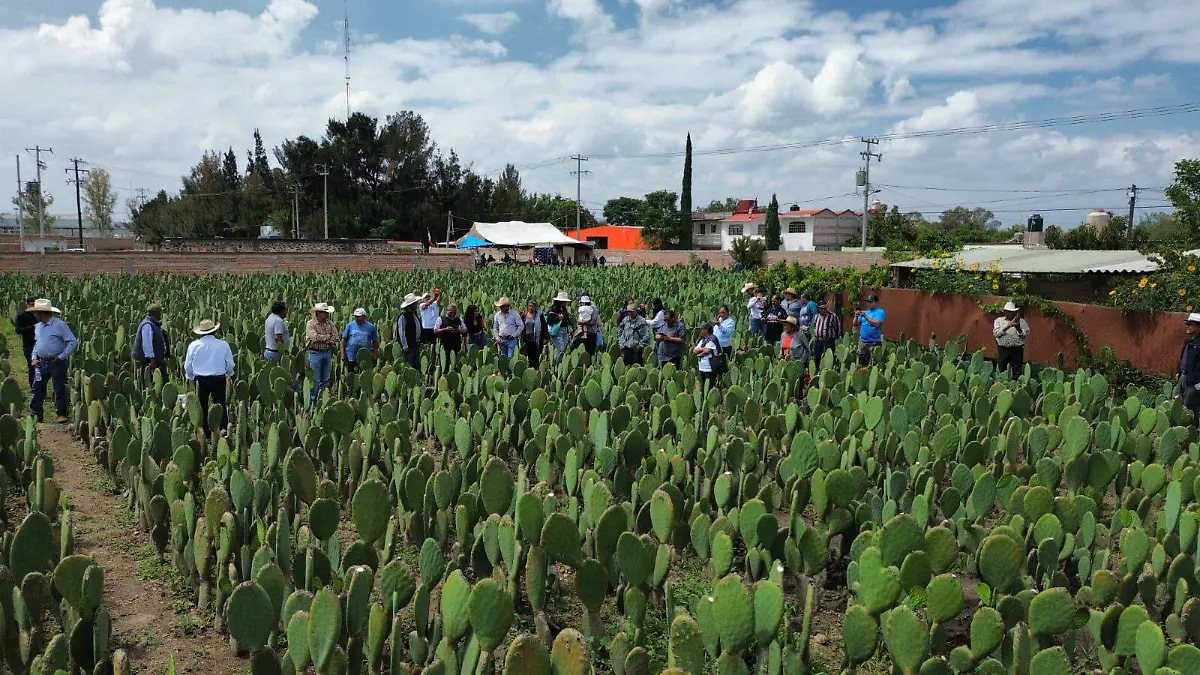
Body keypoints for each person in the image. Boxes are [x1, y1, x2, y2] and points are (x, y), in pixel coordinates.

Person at [29, 299, 77, 424]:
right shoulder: (38, 327)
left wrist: (61, 356)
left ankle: (61, 414)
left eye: (36, 312)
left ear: (42, 312)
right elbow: (37, 344)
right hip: (40, 362)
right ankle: (36, 415)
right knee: (37, 388)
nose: (35, 314)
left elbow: (73, 341)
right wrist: (34, 357)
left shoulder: (59, 324)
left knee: (59, 388)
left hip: (56, 362)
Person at [183, 318, 234, 437]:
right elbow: (230, 363)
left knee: (201, 406)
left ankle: (204, 432)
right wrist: (228, 373)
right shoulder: (223, 344)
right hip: (219, 378)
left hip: (200, 380)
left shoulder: (194, 345)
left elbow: (188, 365)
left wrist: (190, 377)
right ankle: (222, 429)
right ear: (214, 331)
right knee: (220, 404)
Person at [305, 303, 338, 406]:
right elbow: (314, 337)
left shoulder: (330, 324)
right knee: (315, 379)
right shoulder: (311, 324)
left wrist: (323, 338)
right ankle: (313, 403)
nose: (327, 314)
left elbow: (335, 338)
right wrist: (327, 337)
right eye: (325, 312)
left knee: (325, 379)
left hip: (327, 353)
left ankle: (323, 401)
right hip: (314, 353)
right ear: (318, 313)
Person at [132, 304, 170, 387]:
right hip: (148, 362)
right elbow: (147, 344)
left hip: (155, 360)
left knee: (161, 384)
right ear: (157, 314)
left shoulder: (153, 324)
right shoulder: (147, 325)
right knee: (150, 385)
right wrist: (152, 360)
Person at [993, 301, 1030, 378]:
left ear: (1015, 312)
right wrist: (1008, 326)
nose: (1010, 314)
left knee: (1017, 370)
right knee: (1001, 369)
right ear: (1005, 312)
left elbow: (1026, 334)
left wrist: (1018, 328)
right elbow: (996, 334)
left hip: (1017, 349)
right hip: (1003, 349)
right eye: (1008, 312)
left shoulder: (1022, 322)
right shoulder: (999, 321)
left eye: (1012, 312)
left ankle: (1015, 386)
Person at [854, 294, 885, 367]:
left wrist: (866, 317)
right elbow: (855, 324)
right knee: (861, 363)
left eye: (871, 302)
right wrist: (856, 316)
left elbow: (877, 324)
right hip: (862, 342)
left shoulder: (880, 312)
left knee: (873, 364)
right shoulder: (865, 312)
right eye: (868, 302)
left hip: (874, 342)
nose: (869, 303)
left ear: (876, 302)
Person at [1180, 313, 1200, 424]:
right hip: (1183, 377)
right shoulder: (1188, 342)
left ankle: (1191, 429)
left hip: (1193, 382)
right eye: (1187, 324)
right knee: (1177, 400)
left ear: (1199, 327)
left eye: (1190, 324)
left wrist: (1197, 383)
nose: (1187, 326)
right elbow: (1183, 358)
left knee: (1189, 406)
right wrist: (1179, 371)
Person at [13, 297, 37, 387]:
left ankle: (40, 388)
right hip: (29, 344)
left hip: (40, 344)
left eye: (34, 305)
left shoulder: (39, 315)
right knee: (32, 366)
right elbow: (18, 330)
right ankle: (33, 387)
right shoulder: (21, 316)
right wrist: (32, 327)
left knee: (41, 367)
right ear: (27, 304)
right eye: (31, 304)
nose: (33, 306)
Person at [811, 300, 842, 366]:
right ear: (819, 309)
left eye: (825, 308)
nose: (824, 310)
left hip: (828, 340)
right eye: (822, 308)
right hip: (818, 339)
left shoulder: (833, 316)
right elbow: (815, 326)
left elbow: (837, 328)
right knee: (817, 357)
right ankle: (817, 371)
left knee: (828, 358)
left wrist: (836, 338)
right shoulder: (816, 317)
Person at [397, 294, 423, 369]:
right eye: (415, 303)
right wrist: (405, 347)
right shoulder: (403, 316)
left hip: (416, 343)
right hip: (409, 346)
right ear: (411, 305)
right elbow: (402, 332)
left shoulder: (414, 313)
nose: (417, 304)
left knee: (416, 365)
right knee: (409, 366)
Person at [493, 296, 523, 361]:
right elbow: (495, 328)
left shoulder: (514, 314)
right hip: (502, 340)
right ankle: (507, 371)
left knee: (511, 358)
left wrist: (514, 335)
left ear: (507, 306)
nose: (500, 307)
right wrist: (497, 338)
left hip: (512, 340)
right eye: (500, 306)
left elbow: (521, 326)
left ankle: (511, 371)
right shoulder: (497, 315)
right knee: (504, 359)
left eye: (502, 306)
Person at [694, 323, 721, 388]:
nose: (700, 331)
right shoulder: (702, 340)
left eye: (702, 329)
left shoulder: (713, 338)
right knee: (704, 386)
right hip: (702, 367)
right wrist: (703, 349)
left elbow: (707, 351)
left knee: (710, 386)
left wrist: (700, 352)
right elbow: (695, 350)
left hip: (710, 368)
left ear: (707, 330)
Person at [522, 301, 547, 369]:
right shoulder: (524, 315)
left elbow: (544, 326)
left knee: (536, 354)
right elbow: (521, 326)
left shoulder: (539, 315)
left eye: (532, 306)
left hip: (537, 338)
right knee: (529, 354)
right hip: (527, 339)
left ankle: (536, 368)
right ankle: (531, 368)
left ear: (535, 307)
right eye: (529, 306)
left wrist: (545, 337)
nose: (531, 307)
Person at [548, 292, 574, 358]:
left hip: (564, 330)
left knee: (564, 347)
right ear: (561, 302)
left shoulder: (563, 309)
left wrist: (571, 330)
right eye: (565, 302)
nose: (566, 303)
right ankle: (557, 363)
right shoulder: (553, 309)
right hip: (557, 331)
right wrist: (558, 318)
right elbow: (549, 321)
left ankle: (559, 363)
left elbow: (567, 320)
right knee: (561, 349)